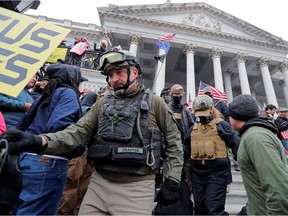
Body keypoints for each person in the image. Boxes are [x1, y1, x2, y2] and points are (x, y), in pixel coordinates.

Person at [2, 50, 184, 215]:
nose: (114, 79)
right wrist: (38, 141)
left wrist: (172, 181)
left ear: (134, 73)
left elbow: (174, 143)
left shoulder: (155, 103)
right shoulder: (103, 102)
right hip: (99, 184)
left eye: (119, 73)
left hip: (137, 188)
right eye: (110, 75)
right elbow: (77, 132)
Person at [13, 64, 84, 215]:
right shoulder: (68, 94)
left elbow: (23, 124)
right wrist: (80, 145)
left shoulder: (46, 94)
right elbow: (59, 128)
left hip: (28, 159)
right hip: (48, 161)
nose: (81, 85)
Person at [228, 94, 288, 215]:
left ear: (236, 116)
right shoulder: (252, 134)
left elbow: (277, 188)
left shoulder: (256, 139)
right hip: (257, 209)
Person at [187, 95, 239, 215]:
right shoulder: (193, 129)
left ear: (211, 109)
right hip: (197, 175)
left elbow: (237, 144)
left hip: (217, 174)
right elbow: (185, 148)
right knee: (199, 209)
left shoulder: (221, 125)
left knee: (213, 209)